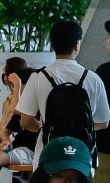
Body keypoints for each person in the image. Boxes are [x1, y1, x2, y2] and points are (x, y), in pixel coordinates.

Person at [16, 19, 110, 168]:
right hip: (82, 157)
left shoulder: (38, 78)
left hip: (47, 156)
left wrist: (48, 128)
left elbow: (25, 121)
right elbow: (103, 122)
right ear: (77, 44)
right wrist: (78, 128)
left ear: (52, 45)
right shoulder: (93, 79)